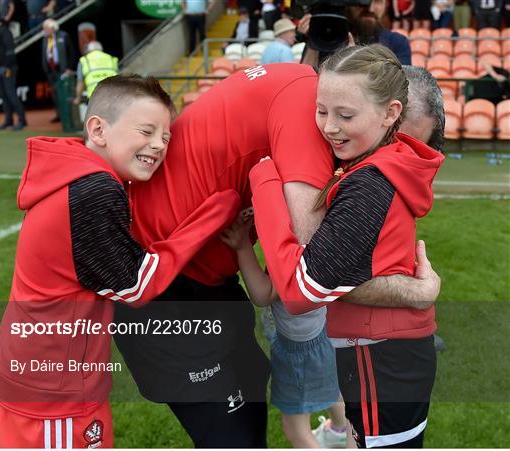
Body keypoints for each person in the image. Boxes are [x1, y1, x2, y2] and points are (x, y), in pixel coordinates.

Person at [114, 62, 442, 448]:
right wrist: (415, 293)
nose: (393, 154)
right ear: (385, 111)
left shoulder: (335, 130)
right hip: (165, 287)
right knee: (236, 433)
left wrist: (264, 184)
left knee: (252, 404)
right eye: (394, 141)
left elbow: (307, 275)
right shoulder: (310, 116)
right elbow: (311, 272)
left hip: (204, 281)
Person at [0, 74, 240, 448]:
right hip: (54, 390)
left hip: (46, 378)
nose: (158, 145)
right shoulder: (94, 189)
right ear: (98, 129)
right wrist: (216, 210)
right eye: (146, 131)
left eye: (166, 136)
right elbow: (136, 285)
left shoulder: (79, 174)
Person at [249, 44, 444, 448]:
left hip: (377, 355)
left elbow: (305, 289)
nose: (329, 127)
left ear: (391, 114)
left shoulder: (371, 181)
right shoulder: (376, 166)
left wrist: (264, 179)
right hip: (372, 351)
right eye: (321, 111)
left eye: (346, 115)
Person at [221, 215, 348, 448]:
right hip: (324, 340)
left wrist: (242, 246)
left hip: (297, 356)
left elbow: (262, 294)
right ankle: (340, 432)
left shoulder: (291, 249)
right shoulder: (326, 243)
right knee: (332, 389)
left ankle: (338, 434)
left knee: (296, 430)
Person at [0, 10, 26, 130]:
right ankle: (8, 120)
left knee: (11, 94)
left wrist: (8, 67)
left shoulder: (5, 31)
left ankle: (22, 120)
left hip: (6, 68)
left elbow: (10, 51)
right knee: (3, 96)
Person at [41, 18, 75, 122]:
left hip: (63, 69)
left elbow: (71, 52)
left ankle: (69, 116)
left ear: (53, 28)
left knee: (65, 93)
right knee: (55, 93)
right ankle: (59, 115)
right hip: (51, 70)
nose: (45, 30)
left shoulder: (63, 36)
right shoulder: (46, 38)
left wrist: (69, 67)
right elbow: (45, 53)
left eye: (46, 28)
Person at [73, 40, 118, 105]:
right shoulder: (111, 58)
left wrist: (78, 98)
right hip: (113, 96)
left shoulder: (84, 60)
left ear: (88, 50)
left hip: (95, 97)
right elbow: (119, 79)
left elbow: (80, 82)